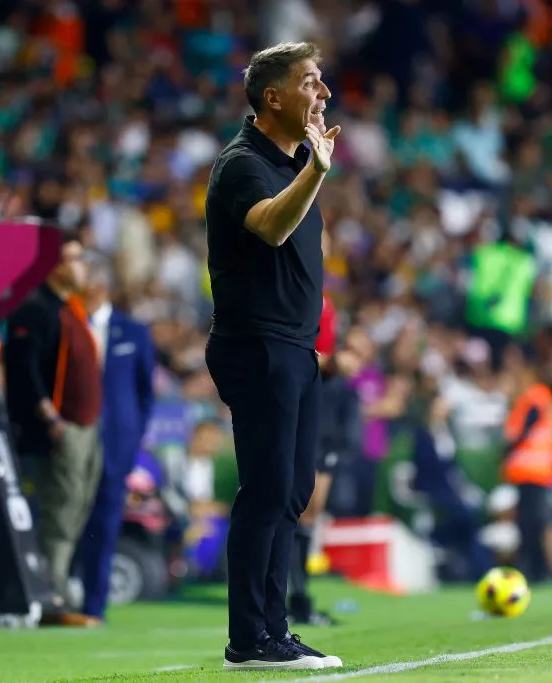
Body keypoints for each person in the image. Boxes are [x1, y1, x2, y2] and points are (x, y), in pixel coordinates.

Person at [203, 41, 343, 671]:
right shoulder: (243, 164)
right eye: (311, 82)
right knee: (267, 488)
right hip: (257, 344)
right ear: (273, 97)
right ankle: (249, 638)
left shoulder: (293, 164)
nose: (324, 93)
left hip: (295, 346)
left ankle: (272, 631)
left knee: (291, 491)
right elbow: (271, 227)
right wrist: (316, 172)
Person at [4, 230, 102, 627]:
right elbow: (24, 371)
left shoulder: (70, 307)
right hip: (61, 430)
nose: (82, 266)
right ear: (53, 266)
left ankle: (58, 590)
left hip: (84, 427)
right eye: (74, 258)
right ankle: (50, 598)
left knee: (74, 512)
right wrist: (50, 418)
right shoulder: (35, 308)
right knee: (58, 514)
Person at [76, 254, 155, 624]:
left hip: (116, 445)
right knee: (66, 519)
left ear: (100, 286)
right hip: (73, 439)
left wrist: (132, 438)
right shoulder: (69, 326)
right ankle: (59, 596)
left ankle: (94, 605)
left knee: (106, 523)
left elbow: (145, 395)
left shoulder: (134, 331)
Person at [289, 231, 347, 627]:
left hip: (320, 406)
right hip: (296, 403)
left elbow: (324, 355)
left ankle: (300, 595)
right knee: (298, 504)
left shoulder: (324, 302)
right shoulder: (294, 292)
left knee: (311, 508)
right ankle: (289, 596)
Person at [502, 362, 552, 582]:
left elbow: (526, 427)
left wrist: (508, 449)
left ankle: (534, 566)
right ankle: (537, 567)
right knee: (530, 521)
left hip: (533, 470)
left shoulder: (535, 396)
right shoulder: (531, 397)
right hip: (531, 470)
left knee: (530, 522)